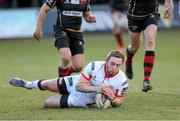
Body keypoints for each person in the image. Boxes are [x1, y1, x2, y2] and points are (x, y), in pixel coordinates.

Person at [9, 50, 128, 108]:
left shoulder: (122, 80)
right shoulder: (94, 66)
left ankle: (63, 98)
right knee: (46, 84)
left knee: (47, 104)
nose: (114, 67)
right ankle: (28, 84)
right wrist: (98, 89)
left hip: (82, 100)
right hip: (75, 83)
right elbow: (79, 86)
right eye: (112, 63)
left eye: (118, 65)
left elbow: (119, 101)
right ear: (106, 61)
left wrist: (112, 98)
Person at [33, 0, 96, 77]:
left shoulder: (85, 0)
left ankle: (65, 74)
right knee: (66, 57)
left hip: (76, 34)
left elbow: (87, 15)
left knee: (78, 67)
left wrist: (90, 18)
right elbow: (44, 9)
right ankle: (61, 83)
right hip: (62, 32)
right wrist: (38, 28)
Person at [125, 0, 174, 92]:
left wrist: (169, 3)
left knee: (151, 41)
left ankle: (146, 80)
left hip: (152, 12)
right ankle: (128, 60)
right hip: (134, 14)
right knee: (134, 47)